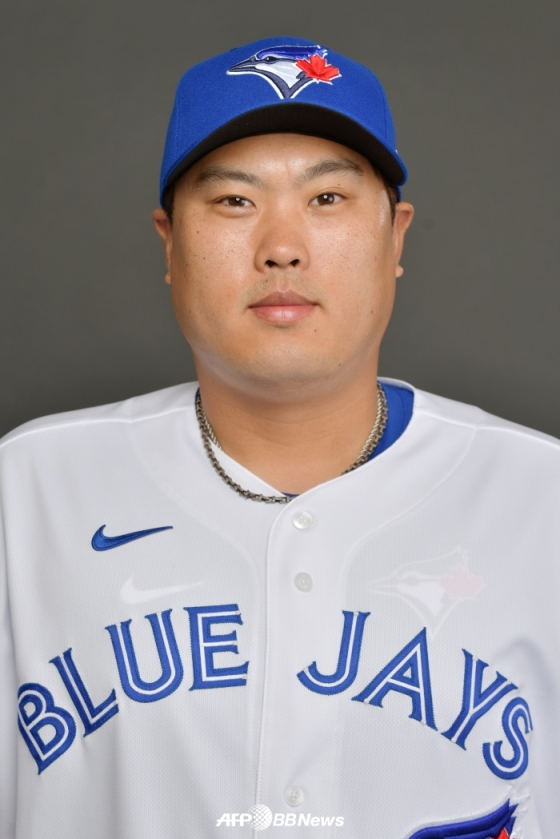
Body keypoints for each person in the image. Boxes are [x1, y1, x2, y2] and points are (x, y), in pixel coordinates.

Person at [1, 36, 558, 839]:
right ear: (169, 243)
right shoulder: (28, 493)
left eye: (327, 198)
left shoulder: (540, 500)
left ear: (395, 238)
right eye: (235, 201)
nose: (282, 247)